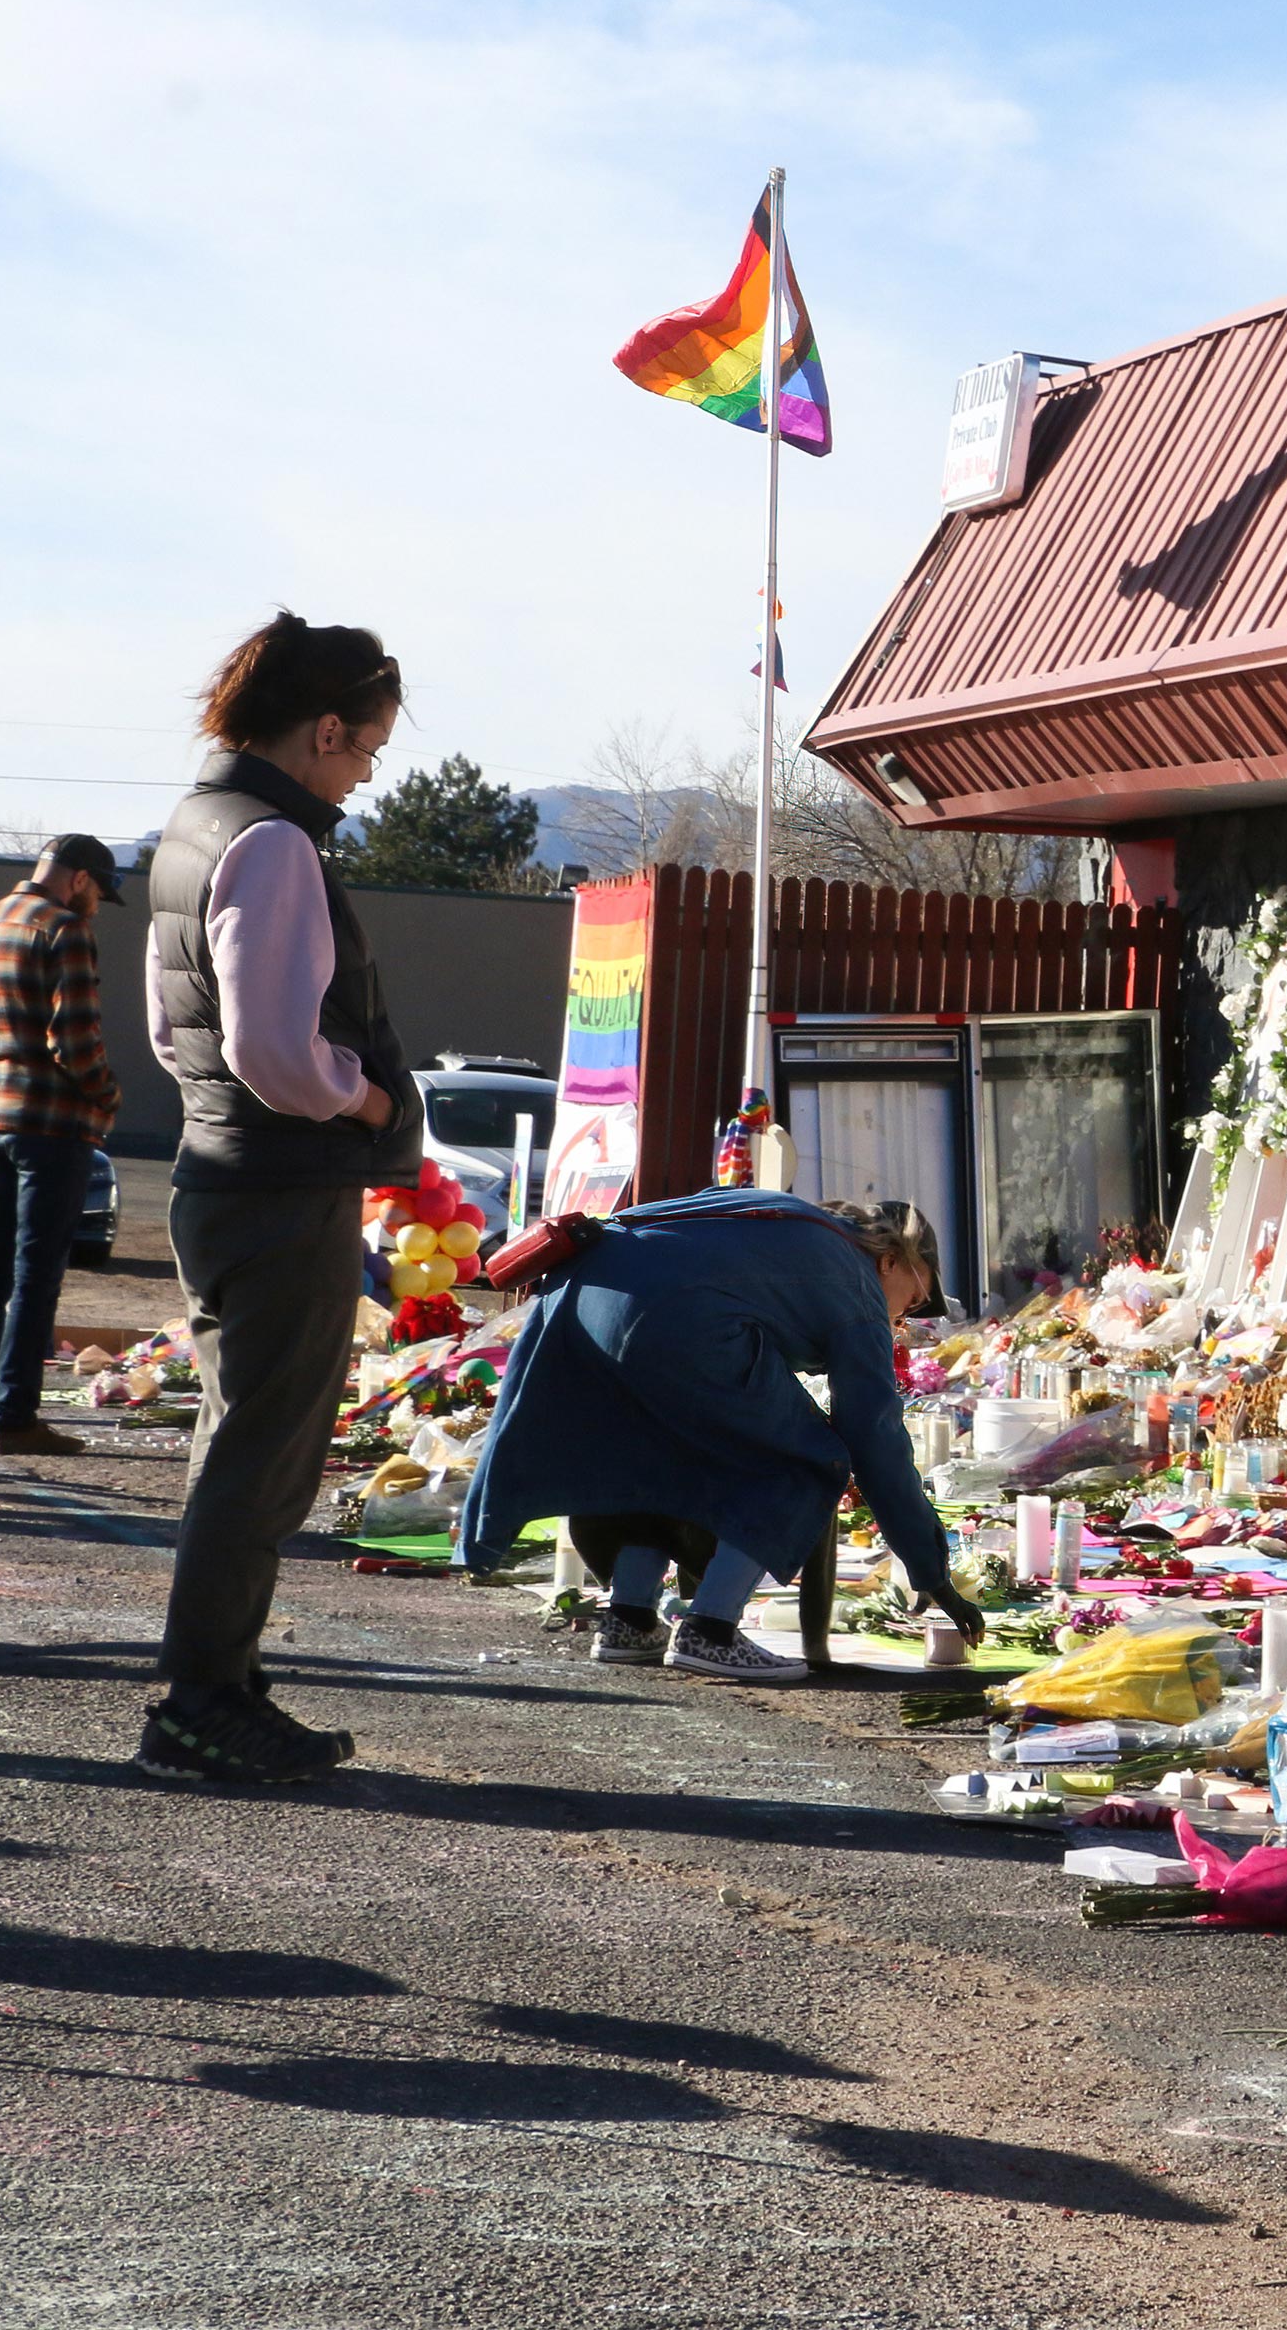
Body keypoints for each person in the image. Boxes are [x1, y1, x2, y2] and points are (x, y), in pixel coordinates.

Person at [137, 615, 423, 1786]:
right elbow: (275, 1049)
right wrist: (365, 1103)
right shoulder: (272, 844)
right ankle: (201, 1704)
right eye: (365, 752)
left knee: (240, 1439)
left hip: (218, 1172)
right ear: (323, 729)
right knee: (263, 1457)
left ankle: (221, 1685)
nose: (363, 776)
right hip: (278, 1181)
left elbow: (178, 1032)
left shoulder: (194, 827)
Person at [458, 1194, 978, 1680]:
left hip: (583, 1295)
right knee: (807, 1460)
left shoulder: (793, 1223)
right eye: (912, 1299)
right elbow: (874, 1437)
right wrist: (930, 1569)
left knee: (655, 1451)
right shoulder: (858, 1283)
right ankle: (710, 1630)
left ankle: (629, 1618)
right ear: (890, 1259)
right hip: (672, 1315)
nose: (901, 1319)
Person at [0, 835, 124, 1457]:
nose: (99, 903)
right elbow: (75, 1040)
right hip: (52, 1128)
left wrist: (2, 1076)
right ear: (78, 880)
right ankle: (15, 1418)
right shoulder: (65, 929)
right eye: (100, 890)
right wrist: (106, 1097)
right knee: (36, 1276)